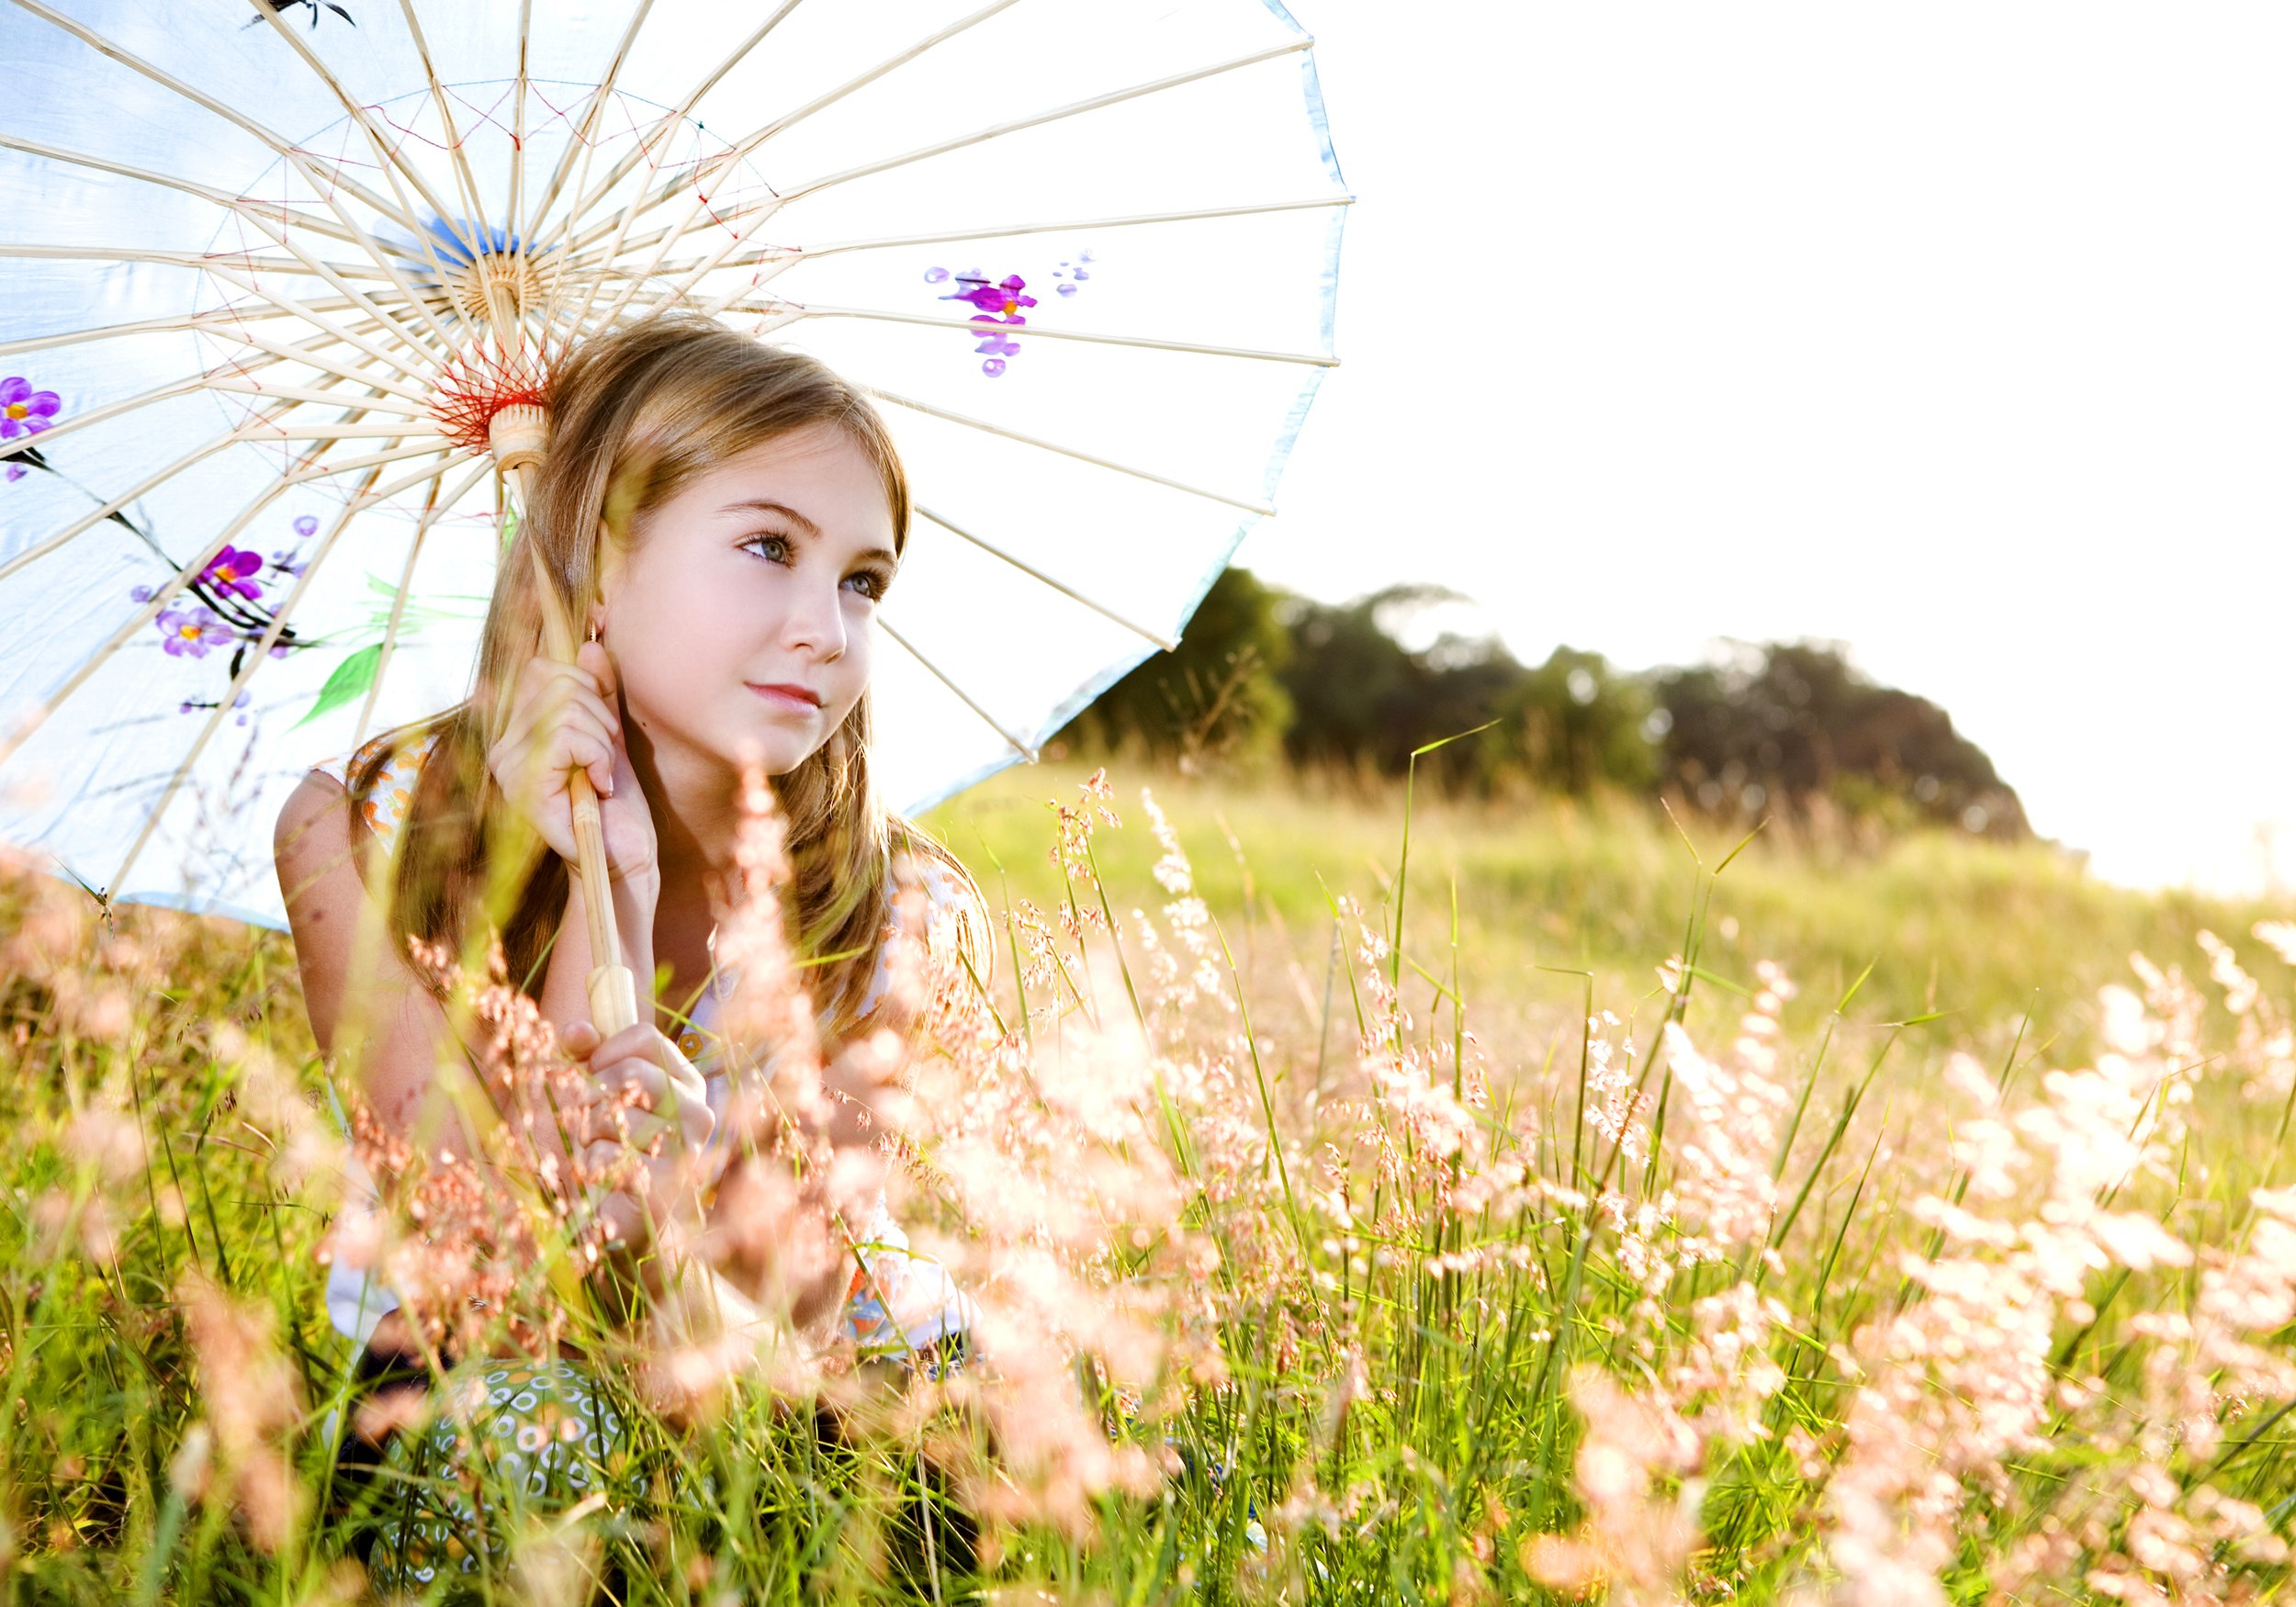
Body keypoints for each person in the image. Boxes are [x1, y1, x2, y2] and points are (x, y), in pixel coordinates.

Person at [271, 313, 989, 1580]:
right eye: (769, 546)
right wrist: (600, 884)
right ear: (592, 570)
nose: (828, 628)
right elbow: (484, 1281)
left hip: (780, 1385)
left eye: (861, 579)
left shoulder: (899, 901)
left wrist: (701, 1183)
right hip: (472, 1390)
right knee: (545, 1440)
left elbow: (818, 1293)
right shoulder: (362, 830)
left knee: (978, 1400)